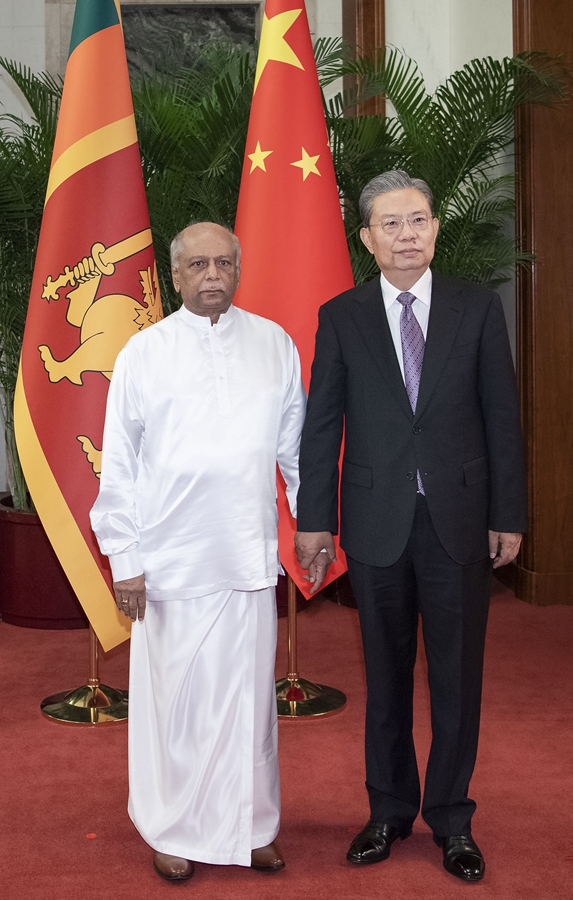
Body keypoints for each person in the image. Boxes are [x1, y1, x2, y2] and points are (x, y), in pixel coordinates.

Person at [295, 171, 527, 883]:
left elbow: (502, 417)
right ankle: (388, 811)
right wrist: (315, 521)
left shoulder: (476, 307)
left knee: (457, 678)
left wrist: (508, 514)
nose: (407, 235)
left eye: (418, 220)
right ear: (367, 238)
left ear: (436, 227)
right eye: (391, 224)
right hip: (375, 523)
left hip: (459, 520)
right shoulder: (342, 315)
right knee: (386, 677)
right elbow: (322, 424)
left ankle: (453, 818)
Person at [91, 222, 309, 882]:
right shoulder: (143, 353)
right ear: (175, 274)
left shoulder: (273, 344)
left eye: (223, 263)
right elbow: (118, 465)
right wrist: (125, 560)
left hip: (247, 555)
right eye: (197, 265)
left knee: (248, 703)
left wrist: (313, 529)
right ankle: (173, 829)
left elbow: (295, 453)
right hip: (169, 562)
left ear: (238, 270)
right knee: (177, 705)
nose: (212, 275)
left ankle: (253, 826)